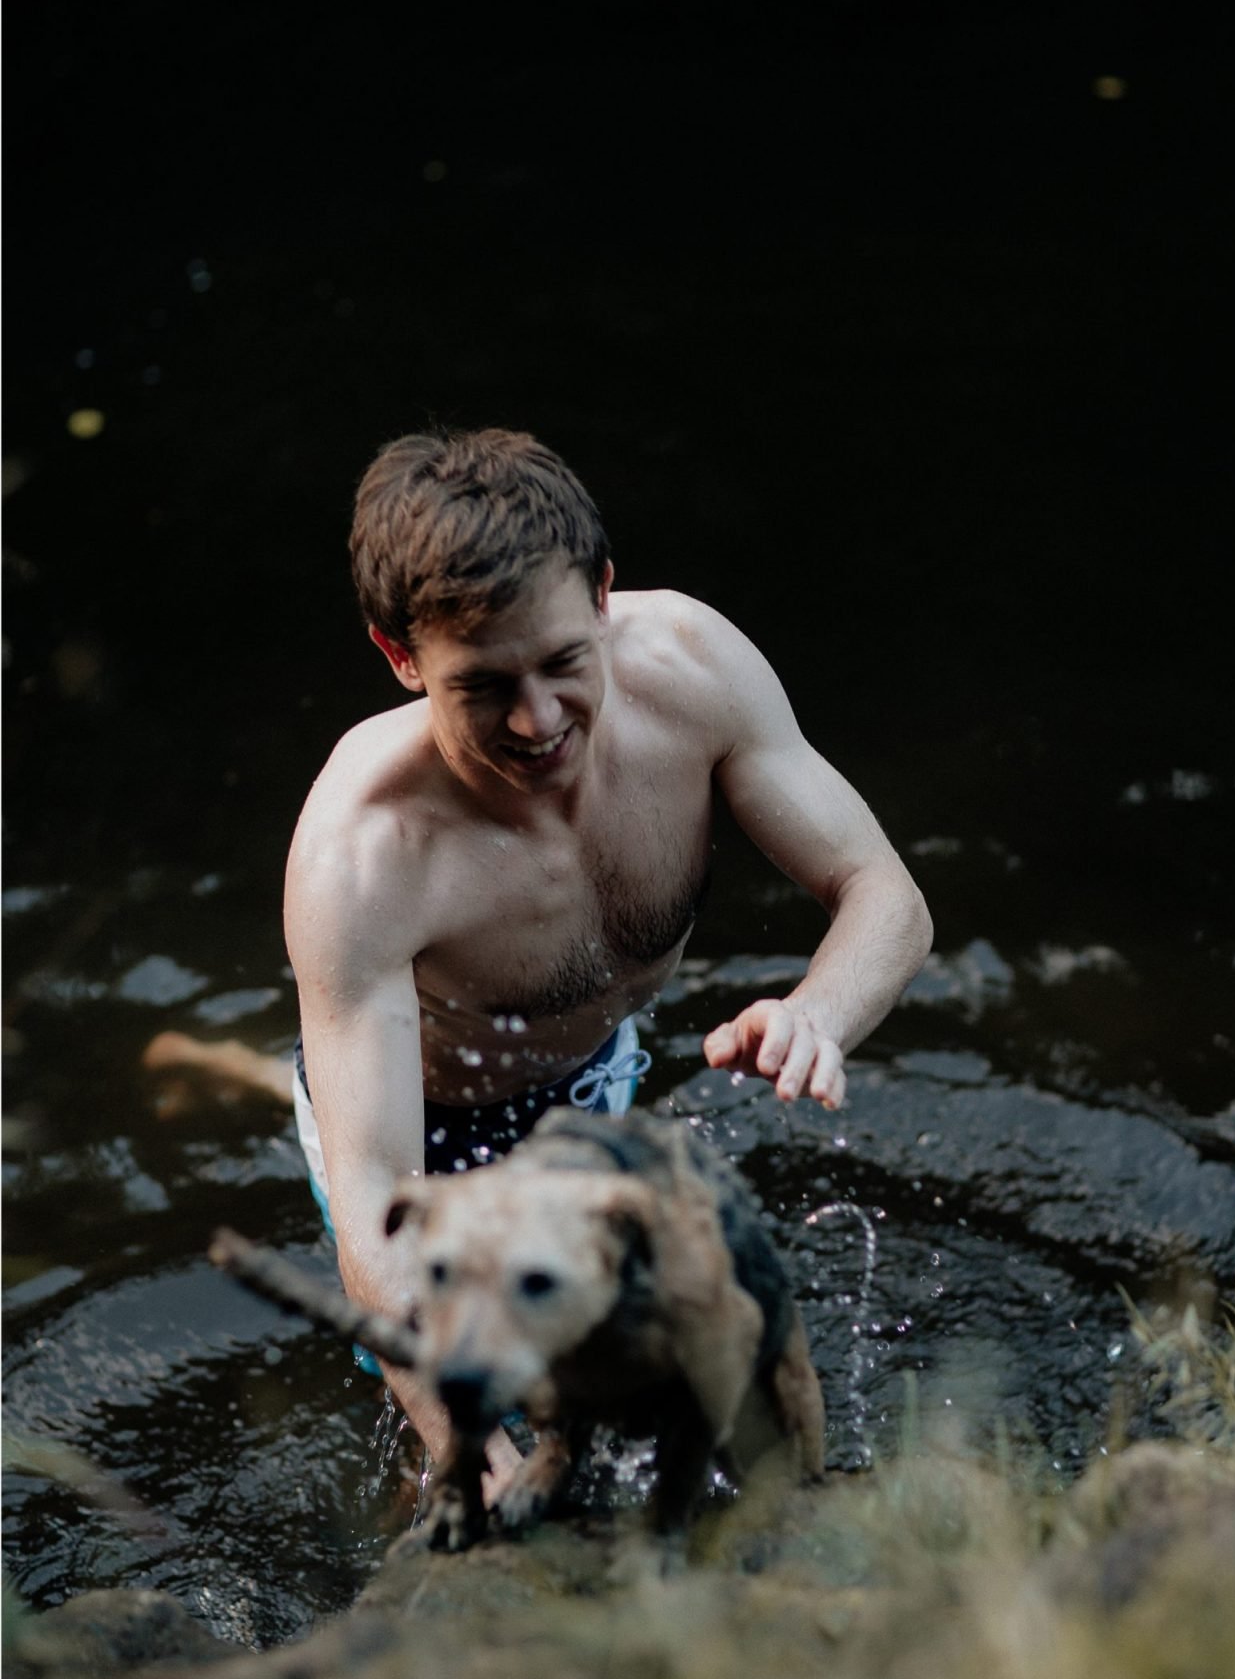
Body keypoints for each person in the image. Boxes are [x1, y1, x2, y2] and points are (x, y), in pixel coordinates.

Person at [284, 428, 932, 1461]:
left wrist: (817, 1012)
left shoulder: (694, 668)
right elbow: (375, 1207)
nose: (538, 719)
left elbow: (886, 895)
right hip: (430, 1132)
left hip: (593, 1077)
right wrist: (466, 1453)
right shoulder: (363, 854)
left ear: (602, 597)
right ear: (400, 657)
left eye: (562, 663)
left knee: (742, 1354)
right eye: (485, 686)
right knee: (493, 1447)